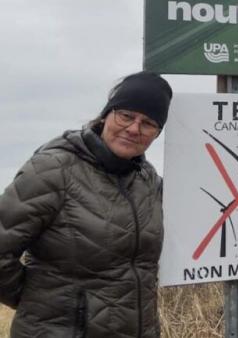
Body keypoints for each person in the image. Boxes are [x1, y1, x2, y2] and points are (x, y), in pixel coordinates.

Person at [0, 71, 172, 338]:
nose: (134, 128)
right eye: (126, 115)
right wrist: (40, 301)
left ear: (157, 133)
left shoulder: (148, 182)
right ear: (106, 115)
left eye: (148, 123)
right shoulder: (53, 170)